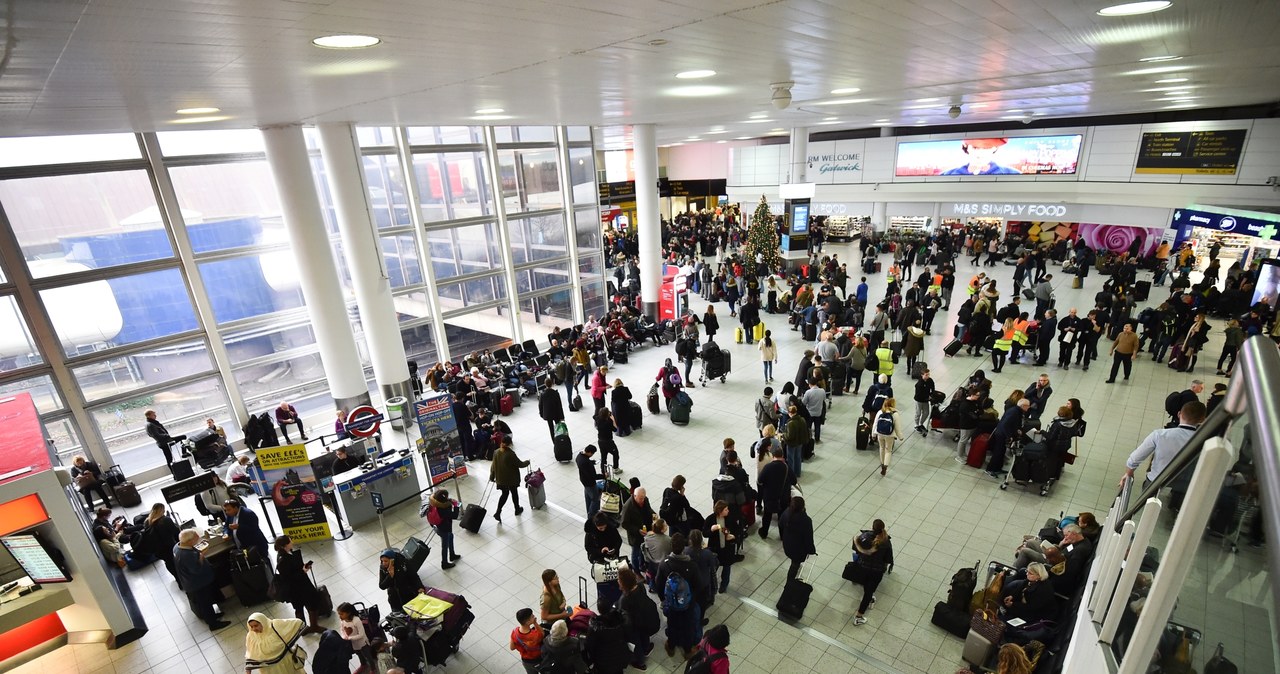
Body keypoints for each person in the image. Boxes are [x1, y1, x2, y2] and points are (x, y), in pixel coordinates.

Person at [1120, 401, 1207, 490]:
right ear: (1203, 419)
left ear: (1179, 414)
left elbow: (1134, 459)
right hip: (1185, 488)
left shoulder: (1159, 435)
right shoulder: (1205, 441)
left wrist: (1129, 475)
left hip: (1155, 483)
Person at [656, 533, 703, 659]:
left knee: (672, 625)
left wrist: (664, 599)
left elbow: (658, 584)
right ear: (684, 547)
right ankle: (687, 650)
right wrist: (691, 599)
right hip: (688, 604)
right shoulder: (691, 565)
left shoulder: (664, 564)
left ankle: (671, 646)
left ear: (671, 546)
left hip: (671, 604)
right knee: (688, 626)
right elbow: (699, 585)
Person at [174, 529, 231, 631]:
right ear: (190, 541)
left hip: (191, 582)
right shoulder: (187, 555)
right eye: (196, 538)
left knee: (206, 601)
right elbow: (196, 569)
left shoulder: (177, 547)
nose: (198, 540)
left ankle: (212, 616)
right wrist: (201, 555)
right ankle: (213, 623)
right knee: (205, 603)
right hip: (198, 584)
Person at [273, 535, 324, 635]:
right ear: (285, 545)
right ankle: (308, 627)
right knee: (306, 605)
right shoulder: (282, 560)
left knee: (303, 605)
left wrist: (303, 567)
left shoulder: (287, 553)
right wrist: (303, 571)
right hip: (297, 588)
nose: (292, 542)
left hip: (300, 586)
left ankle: (307, 628)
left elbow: (293, 568)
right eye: (290, 541)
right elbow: (288, 577)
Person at [851, 519, 894, 626]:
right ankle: (858, 616)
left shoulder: (864, 536)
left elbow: (855, 549)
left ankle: (869, 597)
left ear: (872, 527)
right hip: (877, 571)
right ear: (883, 528)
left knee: (867, 585)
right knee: (869, 592)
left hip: (862, 568)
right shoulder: (886, 542)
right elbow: (888, 559)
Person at [617, 567, 660, 670]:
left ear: (624, 583)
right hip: (646, 620)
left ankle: (640, 662)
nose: (618, 581)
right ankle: (646, 648)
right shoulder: (640, 586)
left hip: (634, 625)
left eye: (619, 580)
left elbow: (623, 614)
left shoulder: (625, 599)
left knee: (636, 643)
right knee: (644, 636)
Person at [702, 500, 743, 593]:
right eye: (726, 509)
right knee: (713, 568)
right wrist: (711, 530)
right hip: (715, 549)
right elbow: (705, 533)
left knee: (727, 567)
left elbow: (738, 530)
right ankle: (711, 584)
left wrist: (733, 536)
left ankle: (724, 585)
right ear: (720, 511)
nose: (728, 511)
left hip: (727, 549)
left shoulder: (730, 518)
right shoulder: (710, 519)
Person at [757, 447, 796, 539]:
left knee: (767, 516)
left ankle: (764, 533)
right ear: (782, 456)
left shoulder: (768, 467)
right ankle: (782, 535)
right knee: (782, 516)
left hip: (769, 497)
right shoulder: (786, 467)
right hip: (783, 497)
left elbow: (760, 480)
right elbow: (794, 481)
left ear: (773, 456)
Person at [986, 399, 1030, 478]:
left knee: (1001, 452)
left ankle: (997, 468)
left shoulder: (1017, 411)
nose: (1029, 407)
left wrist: (1017, 429)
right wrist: (1009, 436)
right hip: (1001, 434)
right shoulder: (1014, 412)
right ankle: (990, 469)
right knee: (998, 452)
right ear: (1023, 406)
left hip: (1002, 433)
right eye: (1028, 406)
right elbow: (1005, 425)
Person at [491, 437, 530, 522]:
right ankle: (517, 509)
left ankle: (498, 512)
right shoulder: (510, 454)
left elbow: (493, 466)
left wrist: (492, 476)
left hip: (501, 479)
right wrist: (527, 462)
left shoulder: (496, 452)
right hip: (511, 479)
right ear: (510, 443)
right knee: (514, 493)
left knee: (504, 494)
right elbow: (520, 464)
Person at [779, 496, 815, 583]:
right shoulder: (806, 521)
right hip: (798, 550)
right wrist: (811, 550)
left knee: (794, 562)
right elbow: (808, 538)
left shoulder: (787, 513)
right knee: (795, 565)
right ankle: (789, 583)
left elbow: (780, 524)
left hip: (787, 544)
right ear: (803, 507)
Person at [619, 487, 656, 573]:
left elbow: (648, 509)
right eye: (640, 498)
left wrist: (654, 514)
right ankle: (636, 570)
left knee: (644, 550)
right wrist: (637, 530)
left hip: (646, 531)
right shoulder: (628, 507)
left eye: (643, 497)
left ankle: (642, 565)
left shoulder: (645, 499)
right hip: (635, 536)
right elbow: (624, 523)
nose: (642, 500)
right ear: (634, 496)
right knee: (635, 553)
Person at [941, 138, 1021, 176]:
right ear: (966, 147)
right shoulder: (947, 175)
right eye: (975, 148)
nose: (980, 153)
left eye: (986, 148)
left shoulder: (1013, 174)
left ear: (994, 149)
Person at [144, 503, 181, 582]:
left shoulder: (147, 522)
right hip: (170, 547)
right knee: (177, 563)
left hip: (158, 549)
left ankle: (177, 579)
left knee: (168, 563)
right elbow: (176, 532)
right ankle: (181, 578)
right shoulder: (165, 520)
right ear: (162, 510)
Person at [426, 489, 462, 569]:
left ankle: (452, 554)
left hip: (437, 526)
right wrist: (456, 506)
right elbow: (454, 515)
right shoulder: (443, 509)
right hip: (444, 529)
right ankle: (444, 563)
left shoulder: (433, 503)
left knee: (451, 537)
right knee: (445, 546)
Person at [872, 397, 904, 476]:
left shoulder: (880, 412)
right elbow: (897, 427)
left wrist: (873, 434)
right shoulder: (895, 414)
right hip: (890, 435)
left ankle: (882, 463)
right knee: (888, 450)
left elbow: (875, 423)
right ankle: (885, 467)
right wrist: (900, 437)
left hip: (880, 433)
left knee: (881, 448)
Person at [335, 602, 371, 671]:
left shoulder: (356, 620)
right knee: (359, 654)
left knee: (367, 655)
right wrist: (343, 636)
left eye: (342, 614)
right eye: (339, 614)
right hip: (353, 643)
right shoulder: (342, 620)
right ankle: (363, 664)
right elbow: (342, 629)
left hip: (362, 643)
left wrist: (349, 638)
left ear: (348, 613)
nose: (340, 616)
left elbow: (361, 634)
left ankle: (372, 668)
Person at [509, 608, 544, 674]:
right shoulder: (535, 635)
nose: (534, 616)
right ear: (527, 622)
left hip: (526, 661)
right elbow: (542, 633)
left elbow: (512, 648)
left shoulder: (514, 632)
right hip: (538, 659)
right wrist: (535, 623)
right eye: (532, 616)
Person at [783, 404, 811, 478]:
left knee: (791, 459)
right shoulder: (802, 419)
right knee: (798, 457)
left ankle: (791, 475)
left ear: (790, 413)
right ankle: (798, 473)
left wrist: (783, 434)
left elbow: (789, 436)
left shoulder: (790, 423)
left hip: (792, 444)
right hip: (800, 442)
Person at [576, 445, 604, 518]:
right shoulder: (586, 463)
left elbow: (585, 461)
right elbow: (593, 476)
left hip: (584, 480)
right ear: (590, 453)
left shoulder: (579, 456)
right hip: (590, 483)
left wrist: (592, 462)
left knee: (588, 497)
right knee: (595, 499)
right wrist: (604, 476)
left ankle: (588, 511)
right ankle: (591, 515)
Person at [595, 408, 621, 473]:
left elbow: (594, 417)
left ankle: (604, 471)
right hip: (608, 442)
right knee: (615, 454)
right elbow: (615, 429)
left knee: (603, 457)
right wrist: (613, 420)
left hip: (600, 441)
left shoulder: (598, 419)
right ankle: (615, 468)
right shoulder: (609, 421)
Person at [912, 369, 936, 436]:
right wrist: (927, 397)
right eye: (926, 375)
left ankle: (921, 423)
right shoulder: (919, 384)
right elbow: (919, 394)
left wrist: (931, 394)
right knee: (918, 413)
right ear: (922, 375)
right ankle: (916, 425)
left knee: (926, 413)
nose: (928, 376)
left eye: (928, 374)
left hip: (926, 400)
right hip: (919, 400)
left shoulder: (930, 380)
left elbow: (933, 387)